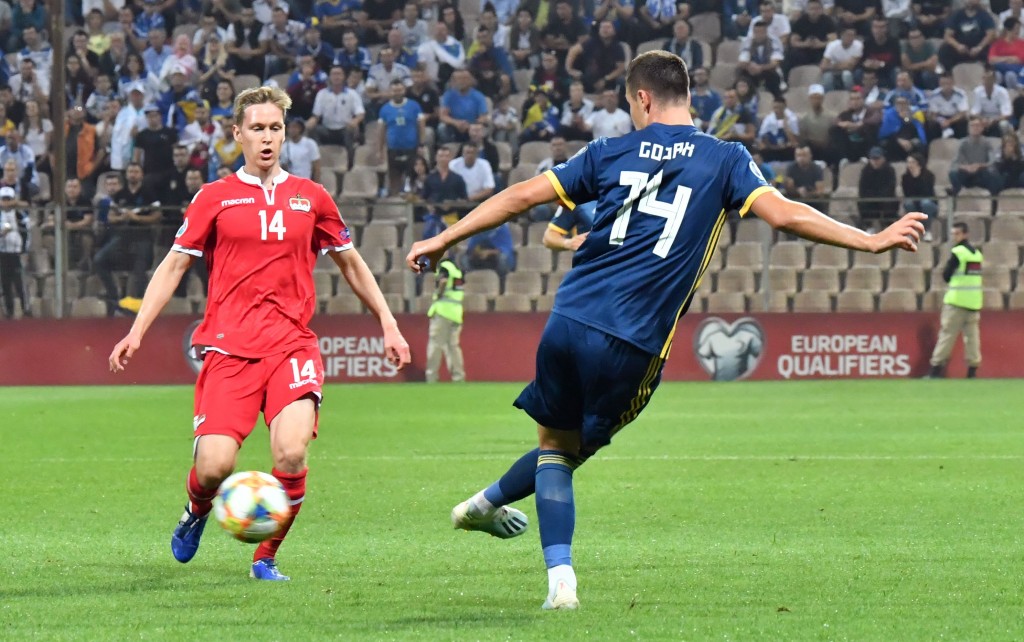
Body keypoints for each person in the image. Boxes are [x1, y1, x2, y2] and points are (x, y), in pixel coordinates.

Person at [405, 50, 925, 610]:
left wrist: (443, 238)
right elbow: (786, 215)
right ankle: (557, 581)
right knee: (567, 454)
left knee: (555, 446)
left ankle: (487, 510)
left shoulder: (605, 152)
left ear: (643, 99)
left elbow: (518, 198)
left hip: (568, 319)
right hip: (634, 340)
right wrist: (869, 240)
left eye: (630, 104)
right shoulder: (726, 158)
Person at [107, 86, 412, 581]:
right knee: (213, 467)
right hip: (229, 347)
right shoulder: (215, 197)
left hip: (292, 344)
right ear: (237, 134)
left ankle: (265, 556)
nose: (266, 138)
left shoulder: (312, 198)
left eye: (275, 128)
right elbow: (174, 265)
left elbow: (352, 264)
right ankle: (196, 512)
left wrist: (388, 323)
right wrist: (138, 329)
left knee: (290, 453)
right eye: (256, 128)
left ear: (285, 133)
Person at [927, 222, 983, 379]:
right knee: (972, 339)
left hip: (956, 302)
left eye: (956, 233)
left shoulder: (958, 252)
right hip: (973, 303)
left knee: (947, 336)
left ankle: (936, 369)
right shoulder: (976, 254)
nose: (954, 237)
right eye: (953, 234)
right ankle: (972, 371)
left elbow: (946, 275)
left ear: (965, 234)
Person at [425, 252, 465, 383]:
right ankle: (458, 377)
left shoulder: (444, 266)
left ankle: (431, 377)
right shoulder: (457, 269)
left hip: (443, 312)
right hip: (456, 313)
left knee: (435, 344)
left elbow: (443, 280)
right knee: (453, 346)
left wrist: (438, 294)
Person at [0, 186, 29, 319]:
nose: (6, 202)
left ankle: (26, 309)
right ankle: (9, 311)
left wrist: (25, 249)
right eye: (3, 199)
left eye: (8, 199)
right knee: (5, 283)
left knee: (19, 282)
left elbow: (27, 230)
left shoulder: (19, 213)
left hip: (16, 252)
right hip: (2, 252)